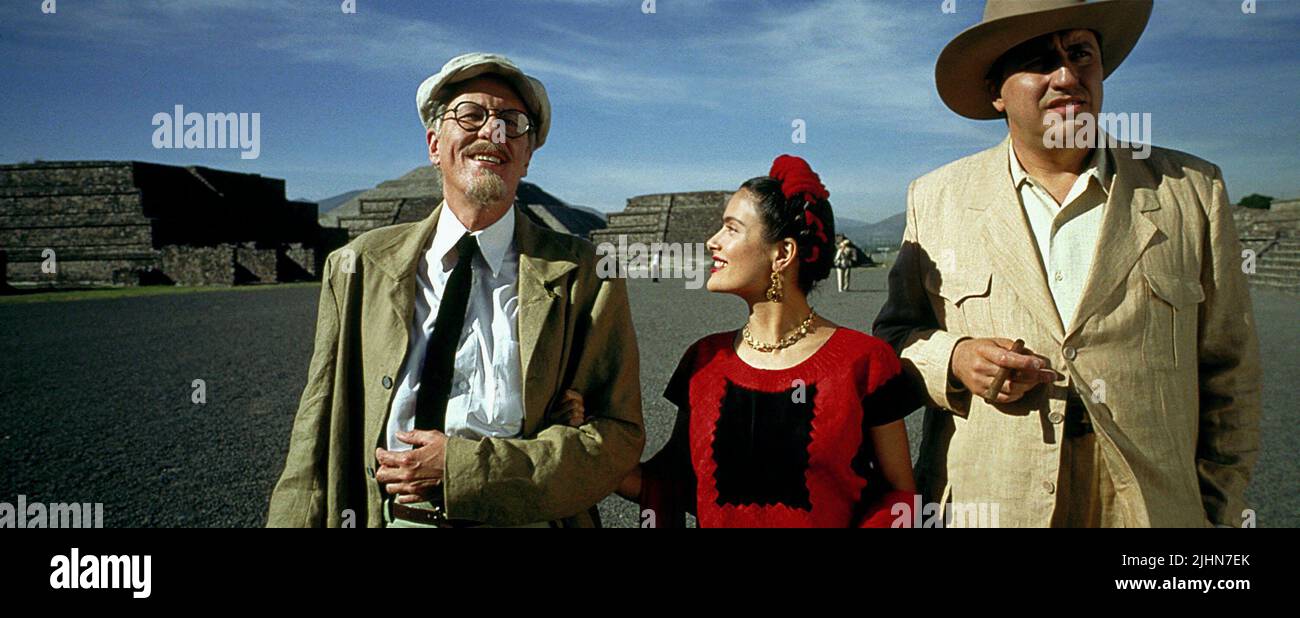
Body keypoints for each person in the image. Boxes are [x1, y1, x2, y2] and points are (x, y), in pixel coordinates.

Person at [873, 0, 1260, 527]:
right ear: (996, 91)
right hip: (995, 503)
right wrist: (955, 357)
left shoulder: (1190, 190)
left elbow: (1231, 374)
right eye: (1038, 60)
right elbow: (892, 340)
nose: (1066, 75)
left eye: (1081, 53)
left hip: (1150, 511)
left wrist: (1215, 511)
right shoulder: (936, 198)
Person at [267, 53, 645, 528]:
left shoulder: (585, 273)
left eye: (514, 122)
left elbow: (618, 433)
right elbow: (315, 430)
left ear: (527, 156)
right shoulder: (358, 266)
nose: (494, 132)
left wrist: (464, 469)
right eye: (471, 115)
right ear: (433, 143)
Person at [564, 155, 918, 527]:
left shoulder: (865, 362)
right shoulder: (703, 360)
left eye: (731, 229)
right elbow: (667, 483)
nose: (711, 242)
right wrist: (588, 438)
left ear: (782, 254)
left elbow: (900, 496)